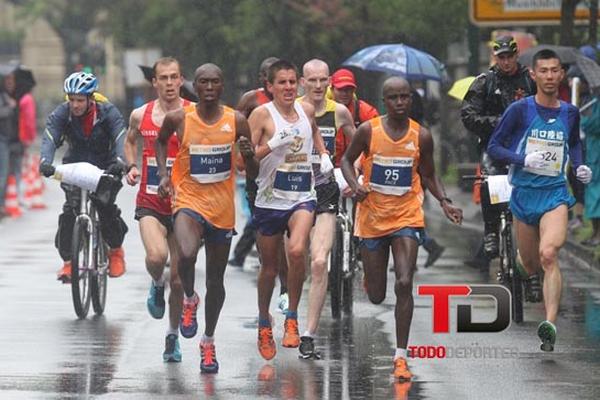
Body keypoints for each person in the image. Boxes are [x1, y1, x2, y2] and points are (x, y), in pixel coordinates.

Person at [341, 77, 463, 380]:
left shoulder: (421, 135)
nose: (399, 102)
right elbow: (346, 160)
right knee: (376, 295)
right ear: (384, 101)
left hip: (407, 216)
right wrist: (355, 185)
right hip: (372, 218)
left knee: (405, 281)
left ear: (411, 99)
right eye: (393, 97)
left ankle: (400, 356)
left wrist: (445, 201)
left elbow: (429, 175)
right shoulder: (368, 131)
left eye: (404, 97)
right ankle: (370, 278)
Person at [487, 49, 592, 352]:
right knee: (532, 264)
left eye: (554, 70)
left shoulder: (570, 112)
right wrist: (522, 159)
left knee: (549, 254)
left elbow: (574, 143)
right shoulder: (519, 110)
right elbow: (495, 147)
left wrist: (580, 166)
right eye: (543, 71)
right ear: (533, 75)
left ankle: (549, 324)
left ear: (562, 74)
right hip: (524, 194)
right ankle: (521, 267)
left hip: (555, 194)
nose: (549, 76)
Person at [155, 63, 257, 373]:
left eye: (215, 82)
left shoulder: (237, 121)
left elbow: (250, 169)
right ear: (195, 86)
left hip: (222, 209)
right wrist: (163, 175)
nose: (209, 87)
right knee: (185, 254)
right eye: (204, 82)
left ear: (222, 85)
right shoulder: (179, 118)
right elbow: (161, 141)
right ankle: (189, 298)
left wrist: (248, 154)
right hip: (188, 199)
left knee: (216, 280)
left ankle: (208, 342)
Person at [249, 59, 331, 360]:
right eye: (281, 82)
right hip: (270, 199)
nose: (288, 87)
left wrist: (323, 153)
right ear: (270, 86)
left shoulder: (306, 110)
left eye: (292, 82)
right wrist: (271, 144)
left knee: (297, 251)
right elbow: (245, 161)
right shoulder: (261, 115)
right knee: (270, 268)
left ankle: (292, 317)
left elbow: (314, 130)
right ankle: (263, 322)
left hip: (301, 196)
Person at [461, 35, 541, 301]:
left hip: (528, 147)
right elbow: (468, 115)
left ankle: (533, 273)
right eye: (501, 57)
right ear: (496, 58)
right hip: (494, 147)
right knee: (489, 181)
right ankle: (490, 231)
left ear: (517, 55)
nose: (506, 62)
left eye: (510, 56)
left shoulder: (530, 79)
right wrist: (499, 122)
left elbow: (547, 106)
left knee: (535, 199)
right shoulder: (484, 82)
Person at [124, 57, 192, 362]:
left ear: (181, 80)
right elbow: (129, 142)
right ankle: (155, 283)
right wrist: (131, 166)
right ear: (154, 82)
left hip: (185, 205)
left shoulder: (193, 114)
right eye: (163, 78)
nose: (169, 83)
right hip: (150, 200)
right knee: (156, 257)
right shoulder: (141, 114)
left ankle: (172, 337)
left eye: (173, 77)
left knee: (178, 279)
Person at [40, 72, 128, 282]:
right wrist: (45, 161)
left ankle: (115, 251)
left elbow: (120, 137)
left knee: (105, 208)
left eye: (80, 100)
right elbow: (50, 136)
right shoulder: (62, 113)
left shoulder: (108, 112)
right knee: (69, 213)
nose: (75, 105)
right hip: (75, 166)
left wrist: (120, 161)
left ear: (91, 99)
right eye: (71, 100)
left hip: (106, 166)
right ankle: (68, 263)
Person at [298, 59, 355, 358]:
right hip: (292, 191)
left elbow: (360, 147)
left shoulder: (339, 112)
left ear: (329, 81)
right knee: (296, 258)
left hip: (325, 190)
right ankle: (288, 308)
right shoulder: (291, 110)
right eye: (312, 80)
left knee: (320, 261)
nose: (318, 85)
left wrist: (354, 175)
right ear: (302, 82)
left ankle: (308, 335)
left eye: (323, 80)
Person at [230, 57, 291, 314]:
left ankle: (287, 289)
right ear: (263, 80)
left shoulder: (292, 102)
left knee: (290, 240)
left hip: (289, 178)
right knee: (271, 243)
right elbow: (233, 128)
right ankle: (272, 289)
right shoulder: (251, 100)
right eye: (269, 75)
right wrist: (239, 156)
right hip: (258, 179)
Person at [330, 68, 378, 167]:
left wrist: (359, 164)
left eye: (348, 89)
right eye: (340, 89)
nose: (345, 93)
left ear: (354, 90)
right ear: (332, 89)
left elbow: (376, 144)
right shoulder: (324, 111)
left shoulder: (366, 112)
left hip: (357, 167)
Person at [0, 75, 17, 219]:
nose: (11, 84)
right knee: (2, 174)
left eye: (12, 81)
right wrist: (9, 107)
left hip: (6, 140)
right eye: (8, 81)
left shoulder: (6, 96)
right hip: (2, 140)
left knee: (5, 174)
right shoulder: (3, 97)